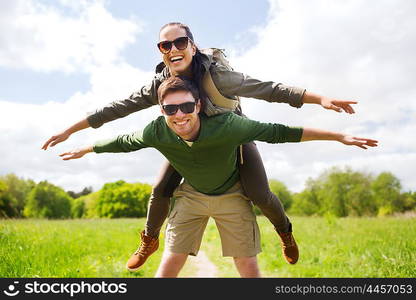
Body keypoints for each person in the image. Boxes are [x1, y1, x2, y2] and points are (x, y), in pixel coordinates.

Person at [42, 22, 358, 269]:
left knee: (259, 193)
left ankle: (285, 232)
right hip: (186, 139)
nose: (173, 48)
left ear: (192, 45)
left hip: (230, 136)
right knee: (160, 188)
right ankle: (149, 241)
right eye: (165, 45)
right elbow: (117, 108)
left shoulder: (219, 78)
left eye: (180, 42)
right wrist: (71, 131)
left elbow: (270, 89)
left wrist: (321, 99)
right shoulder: (160, 85)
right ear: (161, 51)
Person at [59, 76, 377, 277]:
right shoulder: (156, 130)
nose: (179, 114)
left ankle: (286, 233)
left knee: (249, 263)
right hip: (191, 196)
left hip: (232, 194)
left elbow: (280, 131)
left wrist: (337, 136)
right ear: (161, 111)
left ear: (198, 104)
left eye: (186, 106)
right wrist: (86, 148)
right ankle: (148, 240)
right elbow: (123, 141)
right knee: (169, 262)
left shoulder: (228, 124)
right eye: (170, 109)